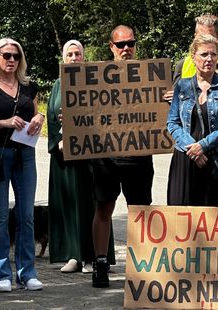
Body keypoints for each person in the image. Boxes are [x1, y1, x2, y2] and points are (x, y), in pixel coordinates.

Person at [0, 38, 44, 292]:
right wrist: (3, 123)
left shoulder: (28, 87)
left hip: (25, 154)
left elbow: (35, 113)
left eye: (16, 56)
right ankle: (2, 272)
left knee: (26, 216)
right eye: (6, 55)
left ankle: (27, 272)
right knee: (0, 216)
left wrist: (39, 117)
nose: (11, 60)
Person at [91, 25, 153, 288]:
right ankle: (101, 264)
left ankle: (140, 268)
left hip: (139, 156)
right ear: (111, 47)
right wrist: (71, 119)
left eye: (131, 43)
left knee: (139, 212)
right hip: (106, 156)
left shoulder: (150, 76)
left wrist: (168, 99)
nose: (126, 48)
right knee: (104, 207)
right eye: (121, 44)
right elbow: (83, 108)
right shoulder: (94, 78)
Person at [47, 40, 115, 273]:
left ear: (84, 58)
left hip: (93, 157)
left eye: (78, 54)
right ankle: (73, 255)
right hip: (65, 157)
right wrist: (58, 141)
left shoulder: (95, 82)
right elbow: (51, 117)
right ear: (63, 58)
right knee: (70, 205)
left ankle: (92, 257)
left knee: (93, 205)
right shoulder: (57, 84)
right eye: (70, 54)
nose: (74, 58)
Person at [166, 33, 218, 207]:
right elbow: (172, 122)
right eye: (204, 54)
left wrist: (203, 145)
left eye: (213, 54)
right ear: (193, 57)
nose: (209, 59)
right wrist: (193, 148)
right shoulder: (182, 85)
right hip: (186, 158)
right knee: (182, 222)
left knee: (215, 222)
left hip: (217, 157)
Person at [173, 14, 218, 83]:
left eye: (209, 37)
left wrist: (217, 67)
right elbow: (176, 92)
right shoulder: (182, 65)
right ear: (195, 37)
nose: (205, 41)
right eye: (201, 37)